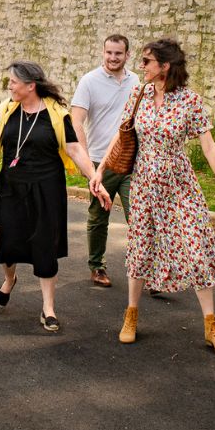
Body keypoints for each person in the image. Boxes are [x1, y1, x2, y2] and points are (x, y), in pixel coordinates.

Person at [94, 38, 215, 354]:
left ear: (165, 66)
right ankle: (131, 315)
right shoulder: (139, 94)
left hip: (180, 185)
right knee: (141, 249)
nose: (141, 66)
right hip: (144, 185)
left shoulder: (190, 101)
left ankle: (211, 325)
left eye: (146, 61)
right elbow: (122, 135)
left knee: (198, 248)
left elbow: (209, 146)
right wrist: (99, 171)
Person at [0, 61, 106, 333]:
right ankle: (9, 280)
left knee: (45, 246)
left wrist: (93, 177)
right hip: (11, 188)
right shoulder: (6, 111)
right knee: (9, 246)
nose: (9, 86)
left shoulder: (58, 114)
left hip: (47, 189)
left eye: (13, 82)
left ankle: (48, 309)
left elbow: (75, 150)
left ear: (30, 85)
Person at [70, 34, 140, 288]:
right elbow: (76, 122)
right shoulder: (89, 81)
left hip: (132, 161)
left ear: (127, 55)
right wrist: (87, 163)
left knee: (141, 217)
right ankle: (97, 266)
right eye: (109, 53)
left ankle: (144, 269)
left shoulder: (136, 81)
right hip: (101, 162)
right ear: (103, 52)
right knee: (99, 217)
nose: (113, 58)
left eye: (118, 53)